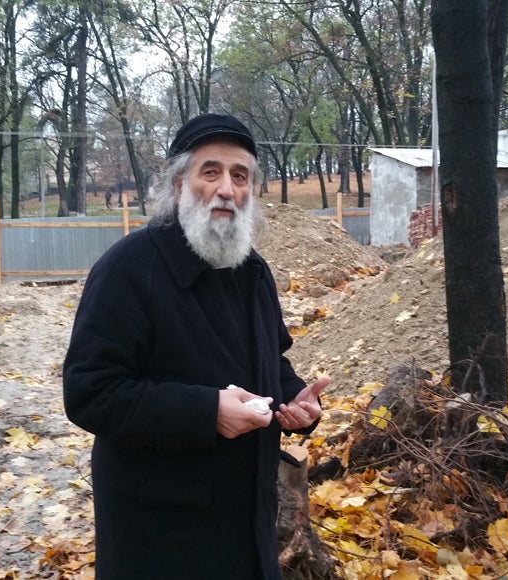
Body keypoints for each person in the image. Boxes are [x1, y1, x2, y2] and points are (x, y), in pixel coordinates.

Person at [62, 113, 329, 580]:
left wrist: (293, 398)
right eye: (212, 171)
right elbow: (90, 392)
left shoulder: (252, 271)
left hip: (247, 522)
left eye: (240, 175)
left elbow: (272, 357)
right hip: (161, 536)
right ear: (179, 182)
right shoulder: (129, 268)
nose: (227, 187)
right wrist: (207, 411)